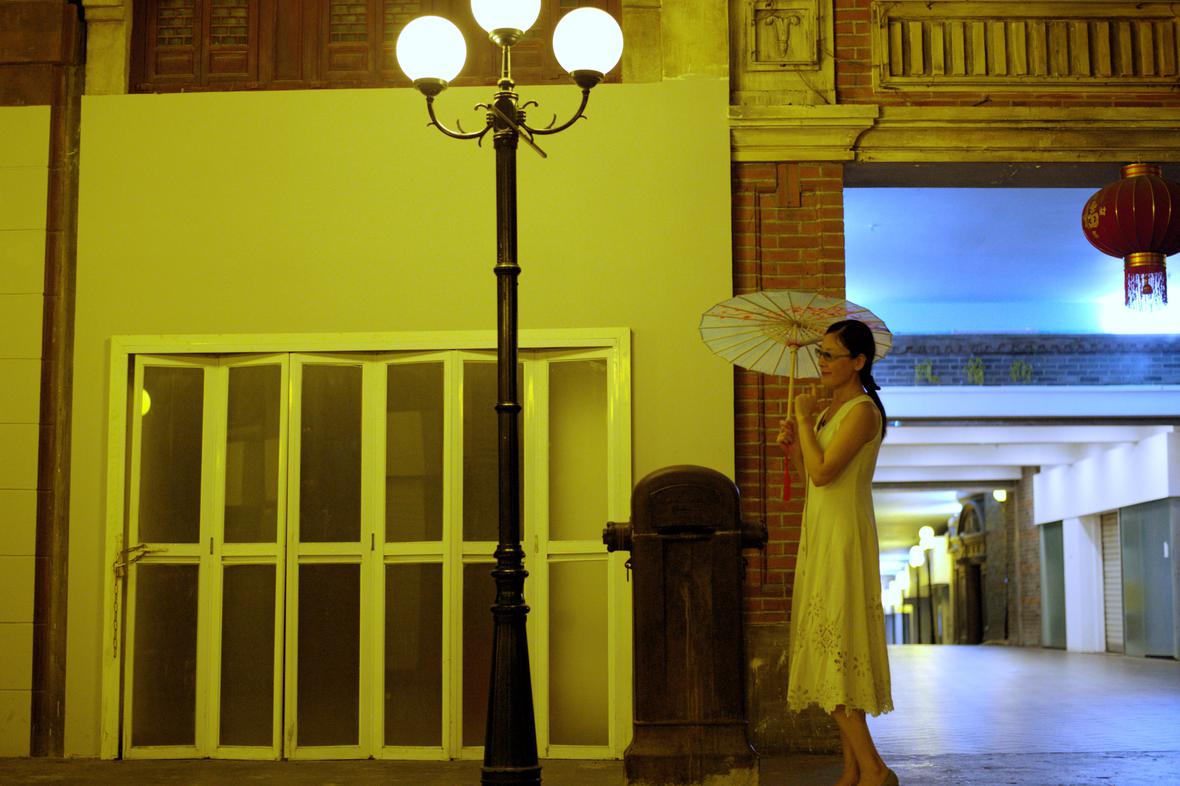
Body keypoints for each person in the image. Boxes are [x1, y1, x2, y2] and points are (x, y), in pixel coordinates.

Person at [777, 319, 897, 786]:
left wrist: (804, 419)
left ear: (859, 361)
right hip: (821, 532)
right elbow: (810, 475)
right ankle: (852, 769)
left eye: (830, 355)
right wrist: (796, 441)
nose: (822, 362)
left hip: (844, 539)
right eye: (820, 354)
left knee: (835, 653)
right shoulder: (830, 412)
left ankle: (875, 770)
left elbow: (825, 472)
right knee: (832, 653)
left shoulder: (862, 412)